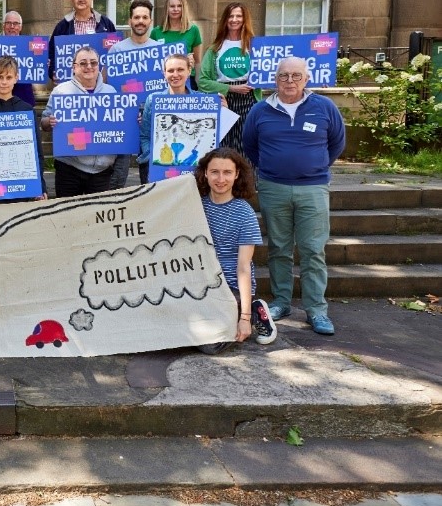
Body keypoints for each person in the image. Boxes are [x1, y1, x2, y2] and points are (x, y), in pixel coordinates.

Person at [243, 56, 345, 336]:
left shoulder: (324, 107)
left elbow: (336, 143)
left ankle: (316, 310)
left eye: (296, 76)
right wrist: (272, 166)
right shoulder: (260, 110)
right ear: (275, 80)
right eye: (284, 76)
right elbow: (250, 145)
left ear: (306, 78)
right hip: (273, 187)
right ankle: (281, 302)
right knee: (278, 247)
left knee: (313, 250)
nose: (290, 81)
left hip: (312, 188)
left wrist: (313, 166)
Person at [194, 148, 276, 354]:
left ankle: (252, 310)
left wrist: (244, 319)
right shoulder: (194, 206)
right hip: (199, 285)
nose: (220, 179)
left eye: (227, 172)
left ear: (237, 174)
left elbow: (243, 268)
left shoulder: (244, 214)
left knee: (210, 346)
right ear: (205, 173)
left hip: (230, 287)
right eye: (214, 172)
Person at [41, 47, 119, 198]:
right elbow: (44, 122)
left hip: (102, 170)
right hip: (69, 168)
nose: (89, 66)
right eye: (83, 63)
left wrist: (133, 121)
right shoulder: (61, 91)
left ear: (99, 66)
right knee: (68, 215)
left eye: (93, 63)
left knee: (97, 217)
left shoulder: (111, 92)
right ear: (74, 67)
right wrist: (48, 121)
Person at [0, 55, 47, 202]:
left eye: (8, 77)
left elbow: (37, 151)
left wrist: (40, 186)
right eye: (0, 77)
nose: (4, 82)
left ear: (16, 78)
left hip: (23, 188)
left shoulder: (27, 110)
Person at [108, 0, 163, 188]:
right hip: (124, 115)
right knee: (119, 170)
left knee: (149, 170)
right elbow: (106, 84)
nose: (140, 21)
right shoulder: (117, 50)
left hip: (151, 115)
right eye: (137, 17)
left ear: (150, 21)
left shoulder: (160, 50)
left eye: (144, 17)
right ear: (130, 21)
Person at [198, 2, 261, 154]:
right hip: (223, 100)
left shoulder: (256, 46)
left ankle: (247, 178)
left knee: (246, 146)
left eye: (239, 16)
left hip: (248, 101)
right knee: (223, 148)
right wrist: (231, 88)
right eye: (231, 16)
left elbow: (273, 74)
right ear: (225, 20)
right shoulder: (215, 49)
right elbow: (202, 82)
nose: (234, 19)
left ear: (245, 19)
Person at [138, 54, 200, 184]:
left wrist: (223, 110)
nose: (175, 74)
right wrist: (153, 157)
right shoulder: (152, 100)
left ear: (189, 71)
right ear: (164, 73)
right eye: (170, 70)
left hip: (191, 170)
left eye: (180, 69)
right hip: (159, 167)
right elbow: (145, 136)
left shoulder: (202, 100)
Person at [48, 0, 116, 80]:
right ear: (72, 0)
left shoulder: (105, 23)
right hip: (72, 83)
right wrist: (53, 72)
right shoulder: (62, 26)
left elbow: (115, 51)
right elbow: (51, 52)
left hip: (100, 83)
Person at [151, 0, 203, 88]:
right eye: (172, 6)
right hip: (162, 80)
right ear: (167, 8)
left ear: (184, 8)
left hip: (187, 81)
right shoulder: (156, 32)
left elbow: (198, 61)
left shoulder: (193, 30)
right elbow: (151, 60)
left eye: (179, 6)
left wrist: (199, 83)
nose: (176, 9)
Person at [0, 9, 36, 107]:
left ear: (20, 27)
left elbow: (38, 67)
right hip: (0, 97)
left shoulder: (29, 45)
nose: (12, 27)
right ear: (3, 25)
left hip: (23, 96)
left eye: (15, 23)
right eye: (8, 23)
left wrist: (44, 64)